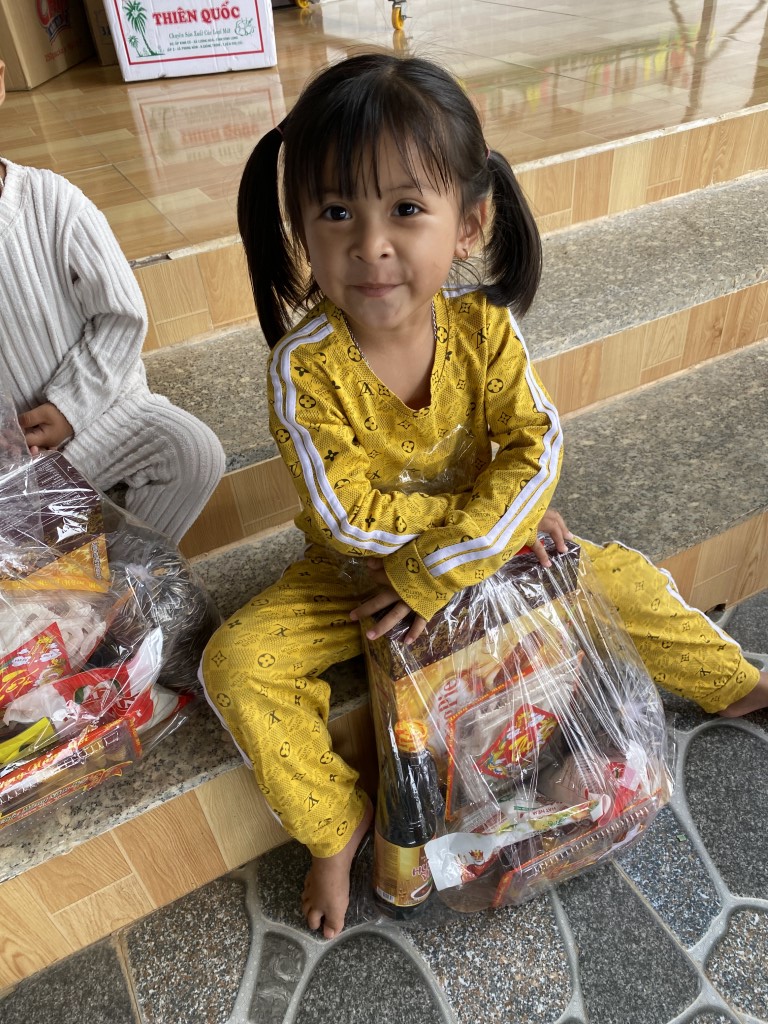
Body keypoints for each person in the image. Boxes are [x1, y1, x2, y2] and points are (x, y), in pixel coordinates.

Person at [201, 52, 768, 940]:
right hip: (358, 580)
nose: (371, 244)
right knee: (235, 665)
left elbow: (537, 447)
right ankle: (335, 825)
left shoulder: (484, 327)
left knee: (619, 577)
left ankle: (734, 683)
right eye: (337, 212)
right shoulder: (303, 368)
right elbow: (349, 516)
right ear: (301, 229)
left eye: (406, 210)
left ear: (469, 224)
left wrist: (489, 537)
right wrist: (489, 532)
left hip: (494, 548)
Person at [0, 59, 225, 544]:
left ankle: (126, 580)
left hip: (99, 415)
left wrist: (70, 406)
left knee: (193, 451)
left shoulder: (51, 201)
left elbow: (121, 317)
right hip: (12, 472)